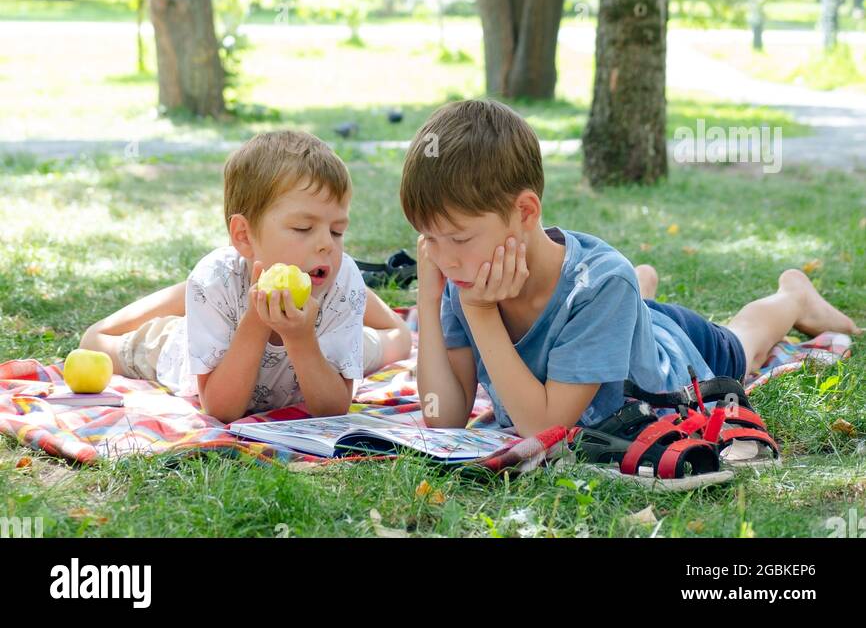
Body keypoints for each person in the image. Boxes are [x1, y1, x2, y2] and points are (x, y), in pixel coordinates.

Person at [402, 98, 863, 439]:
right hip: (615, 312)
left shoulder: (596, 284)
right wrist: (428, 298)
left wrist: (480, 315)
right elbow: (443, 415)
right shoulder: (465, 276)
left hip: (673, 355)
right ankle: (640, 294)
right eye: (429, 240)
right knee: (621, 299)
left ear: (525, 212)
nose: (444, 258)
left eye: (458, 238)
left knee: (744, 342)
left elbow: (544, 427)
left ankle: (793, 295)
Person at [79, 130, 412, 423]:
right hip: (203, 332)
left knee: (400, 341)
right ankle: (187, 296)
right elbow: (221, 410)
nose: (326, 243)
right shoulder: (214, 282)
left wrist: (301, 339)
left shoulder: (342, 282)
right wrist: (256, 320)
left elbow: (333, 410)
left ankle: (188, 295)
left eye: (337, 231)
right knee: (96, 342)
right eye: (303, 228)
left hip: (318, 345)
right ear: (244, 235)